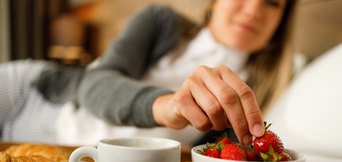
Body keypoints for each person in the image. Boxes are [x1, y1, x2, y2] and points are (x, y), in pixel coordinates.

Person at [0, 0, 298, 146]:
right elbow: (95, 83)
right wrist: (167, 106)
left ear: (280, 22)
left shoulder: (258, 95)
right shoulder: (160, 21)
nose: (254, 8)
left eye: (273, 1)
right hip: (31, 98)